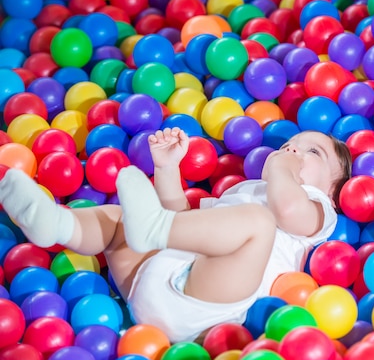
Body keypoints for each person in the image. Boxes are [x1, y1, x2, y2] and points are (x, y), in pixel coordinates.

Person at [0, 127, 352, 343]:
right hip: (147, 279)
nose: (293, 150)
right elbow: (182, 224)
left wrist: (279, 167)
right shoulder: (244, 191)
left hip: (208, 307)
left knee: (258, 223)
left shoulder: (317, 210)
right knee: (119, 224)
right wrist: (167, 171)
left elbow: (286, 209)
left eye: (312, 152)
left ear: (332, 191)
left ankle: (145, 229)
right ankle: (55, 224)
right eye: (292, 143)